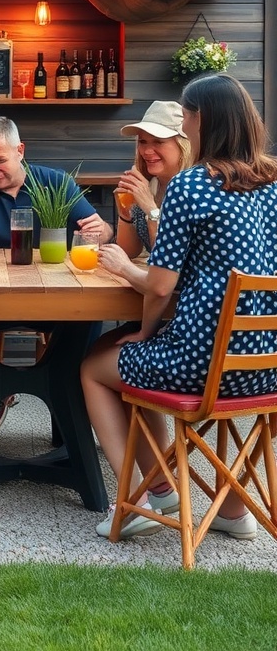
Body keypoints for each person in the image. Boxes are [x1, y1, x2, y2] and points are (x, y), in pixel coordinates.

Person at [81, 74, 277, 542]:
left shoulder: (192, 185)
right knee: (134, 360)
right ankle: (231, 506)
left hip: (202, 365)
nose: (186, 127)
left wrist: (144, 332)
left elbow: (160, 287)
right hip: (266, 365)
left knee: (93, 365)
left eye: (186, 118)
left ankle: (138, 499)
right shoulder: (271, 182)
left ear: (201, 119)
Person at [0, 115, 112, 436]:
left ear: (20, 151)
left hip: (56, 303)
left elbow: (103, 229)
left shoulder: (56, 182)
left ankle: (71, 402)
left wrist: (100, 231)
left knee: (90, 311)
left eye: (0, 160)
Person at [98, 101, 192, 293]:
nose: (147, 151)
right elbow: (130, 251)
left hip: (185, 299)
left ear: (183, 144)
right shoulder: (148, 184)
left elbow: (171, 263)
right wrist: (126, 214)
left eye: (158, 141)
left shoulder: (192, 190)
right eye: (143, 142)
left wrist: (151, 209)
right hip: (154, 294)